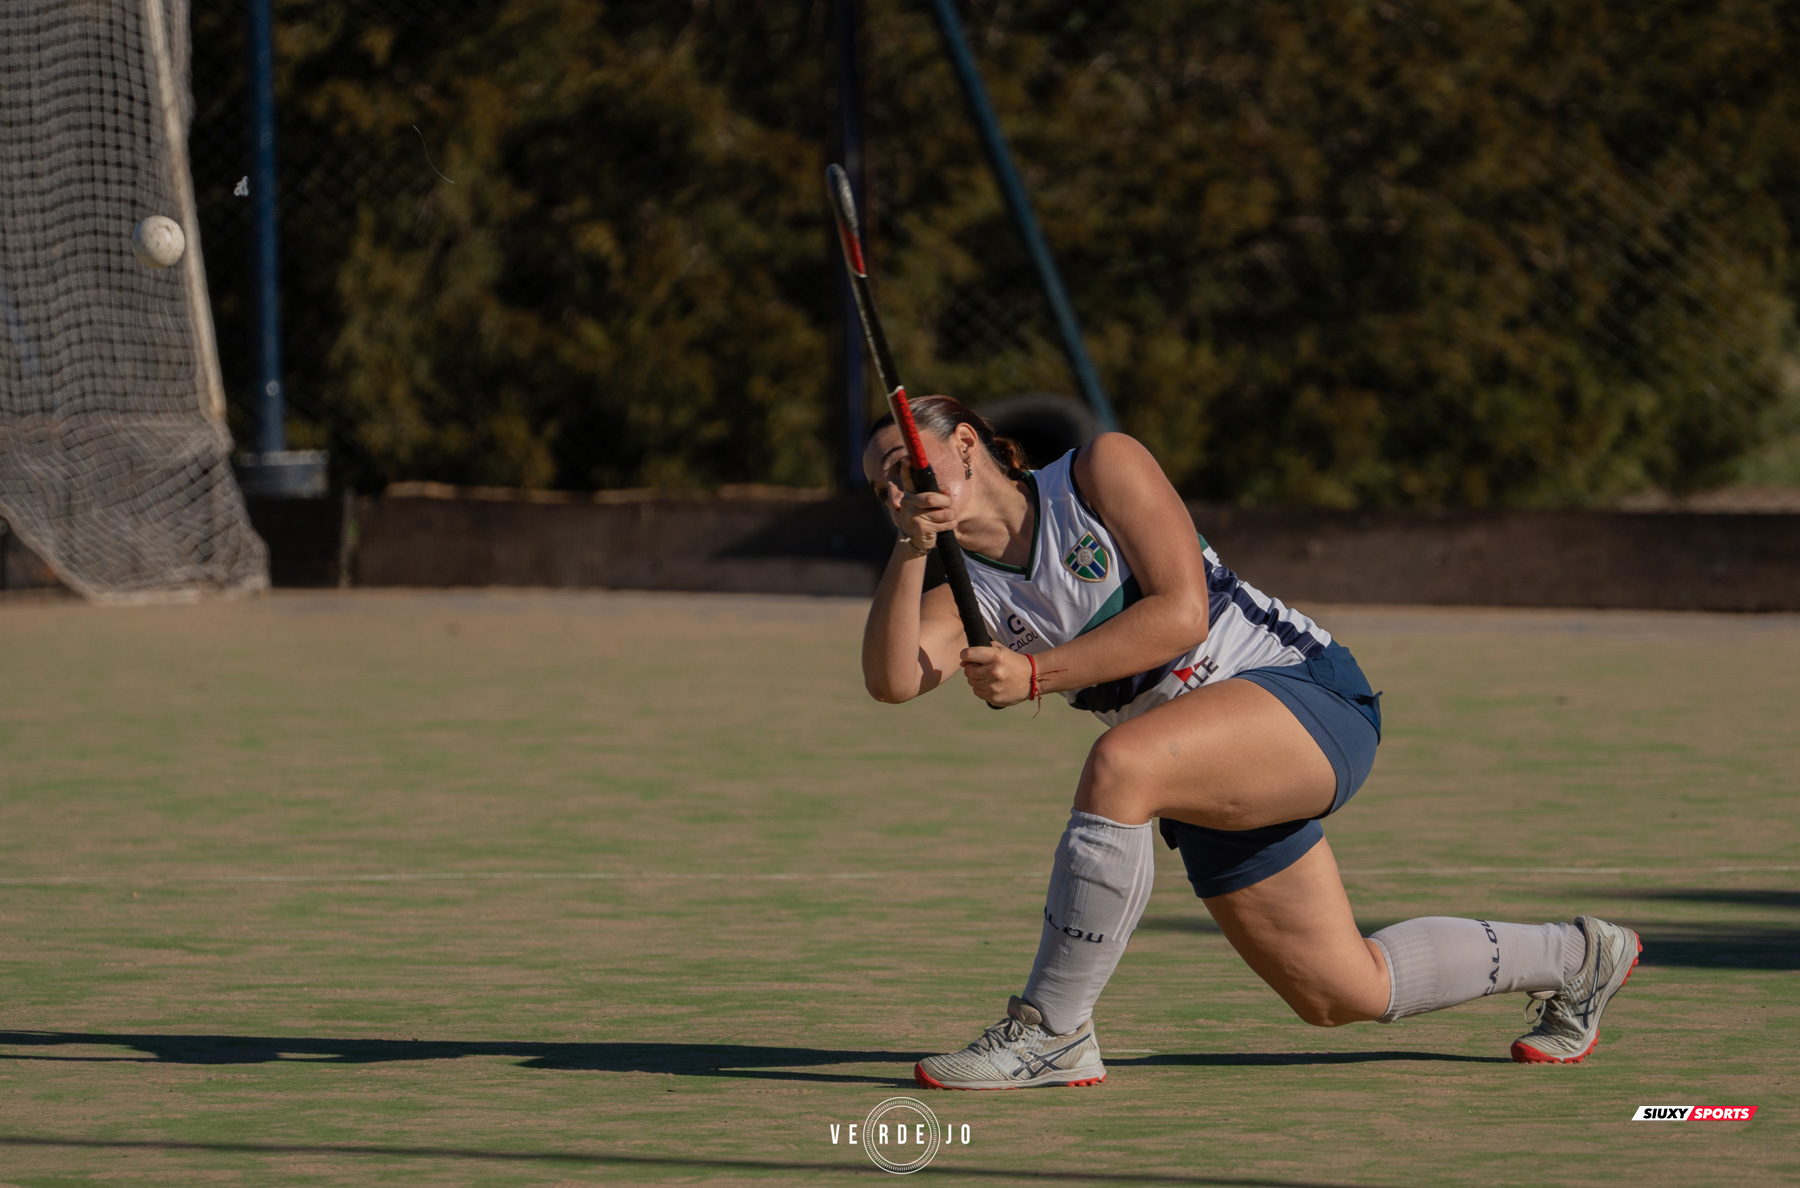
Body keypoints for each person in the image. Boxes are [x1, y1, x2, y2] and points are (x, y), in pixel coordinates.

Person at [860, 395, 1641, 1091]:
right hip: (1201, 770)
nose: (895, 489)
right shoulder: (971, 591)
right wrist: (910, 549)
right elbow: (893, 678)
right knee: (1340, 993)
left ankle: (1053, 1032)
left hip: (1303, 697)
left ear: (965, 443)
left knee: (1119, 764)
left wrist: (1036, 674)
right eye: (880, 488)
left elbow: (1180, 616)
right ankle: (1578, 958)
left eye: (903, 464)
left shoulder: (1098, 469)